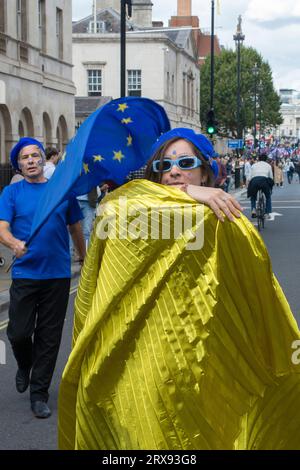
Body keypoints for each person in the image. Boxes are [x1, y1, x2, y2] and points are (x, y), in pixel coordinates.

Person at [58, 128, 300, 450]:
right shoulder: (130, 213)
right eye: (163, 166)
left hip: (204, 366)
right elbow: (112, 209)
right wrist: (187, 195)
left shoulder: (226, 220)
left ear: (205, 171)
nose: (173, 171)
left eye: (185, 162)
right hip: (137, 364)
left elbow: (255, 299)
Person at [0, 137, 86, 419]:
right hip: (26, 273)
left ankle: (39, 394)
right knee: (19, 332)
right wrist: (13, 245)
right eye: (25, 158)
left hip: (58, 274)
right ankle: (24, 364)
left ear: (42, 159)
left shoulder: (62, 192)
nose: (31, 161)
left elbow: (76, 228)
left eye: (35, 155)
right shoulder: (11, 194)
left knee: (49, 337)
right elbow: (2, 228)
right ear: (19, 165)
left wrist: (83, 257)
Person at [247, 153, 274, 219]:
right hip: (264, 181)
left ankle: (253, 209)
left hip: (254, 181)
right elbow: (271, 177)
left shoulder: (254, 165)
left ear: (259, 159)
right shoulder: (268, 165)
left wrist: (248, 185)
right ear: (266, 159)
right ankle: (267, 213)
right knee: (268, 196)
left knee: (253, 196)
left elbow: (249, 177)